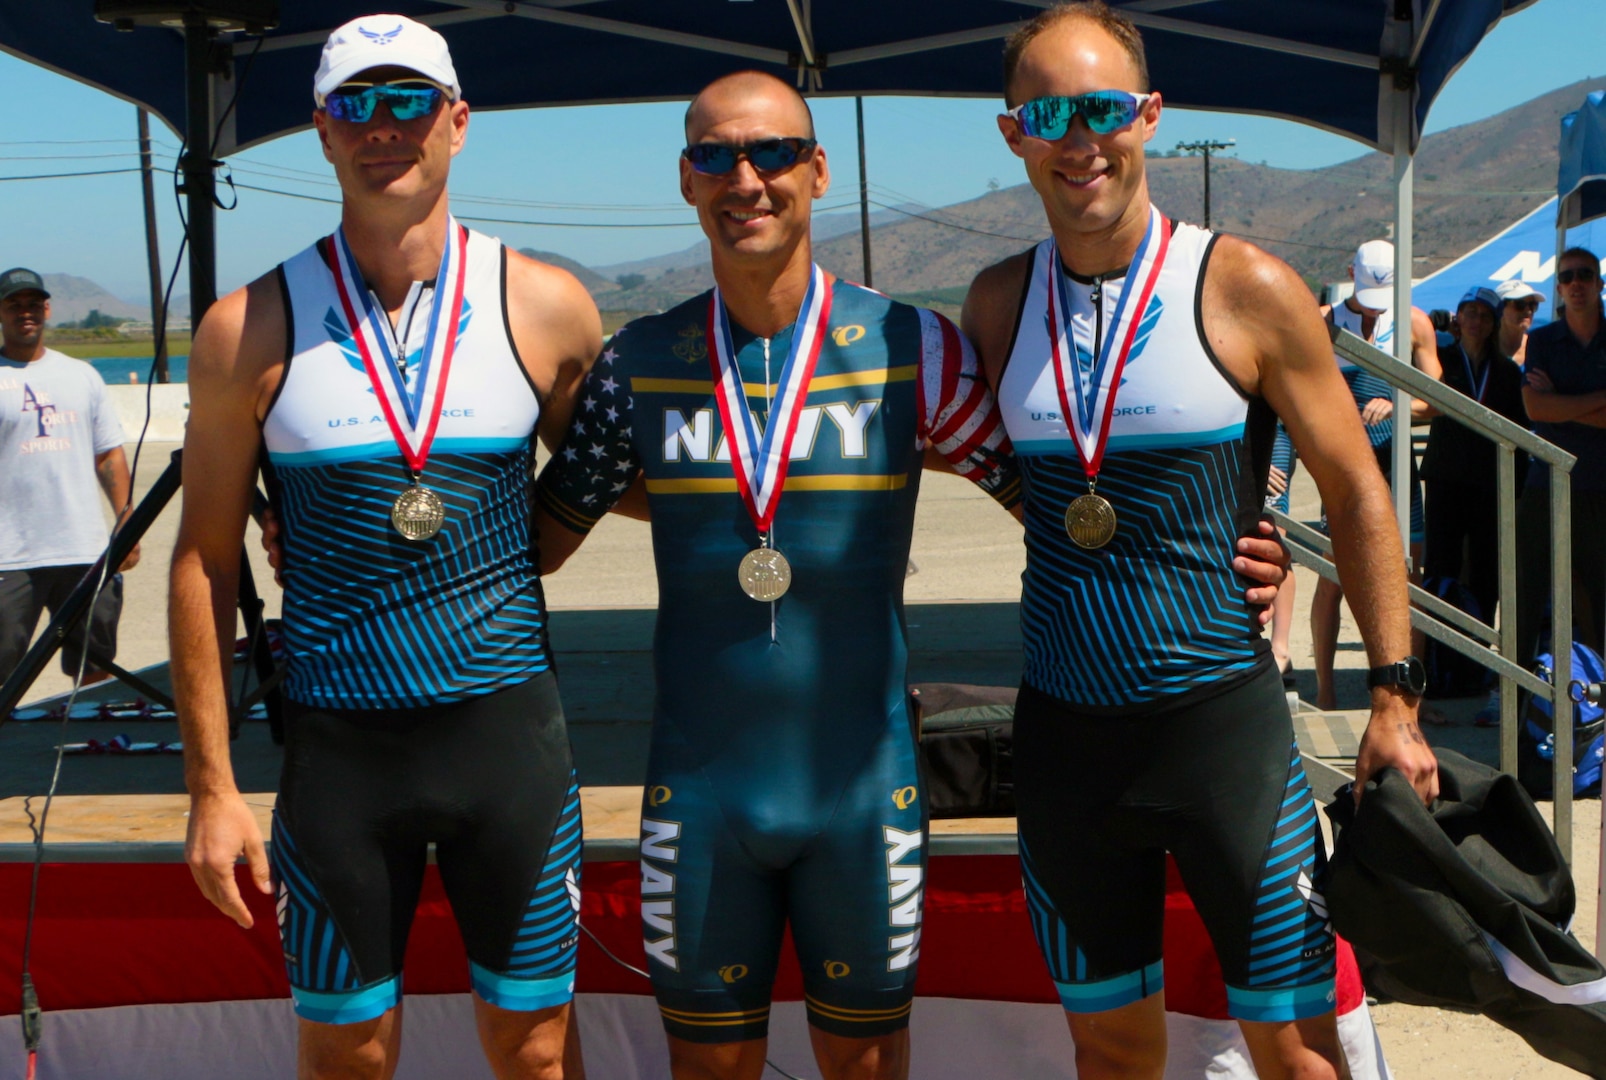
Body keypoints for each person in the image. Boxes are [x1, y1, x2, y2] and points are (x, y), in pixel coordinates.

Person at [531, 70, 1292, 1080]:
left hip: (863, 792)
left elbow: (1063, 501)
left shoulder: (912, 347)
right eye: (716, 156)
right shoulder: (639, 363)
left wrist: (1247, 525)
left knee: (867, 1068)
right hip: (702, 796)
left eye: (770, 155)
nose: (745, 179)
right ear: (686, 179)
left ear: (817, 170)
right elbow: (530, 541)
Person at [961, 5, 1437, 1080]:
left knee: (1300, 1050)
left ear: (1149, 117)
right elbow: (1033, 486)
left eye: (1104, 108)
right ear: (1013, 135)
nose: (1081, 138)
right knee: (1112, 1053)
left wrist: (1395, 699)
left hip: (1219, 734)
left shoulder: (1245, 287)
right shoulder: (996, 304)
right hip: (1066, 746)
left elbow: (1358, 494)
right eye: (1050, 113)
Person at [169, 15, 600, 1079]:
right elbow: (200, 560)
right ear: (321, 130)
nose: (383, 129)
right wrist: (211, 789)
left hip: (507, 740)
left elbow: (624, 482)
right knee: (349, 1053)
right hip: (339, 757)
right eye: (355, 105)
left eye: (408, 102)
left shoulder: (543, 303)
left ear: (457, 122)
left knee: (535, 1050)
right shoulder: (248, 325)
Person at [1309, 239, 1440, 710]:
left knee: (1410, 577)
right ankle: (1325, 692)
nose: (1373, 307)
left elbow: (1436, 398)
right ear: (1351, 273)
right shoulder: (1324, 320)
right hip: (1344, 466)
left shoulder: (1412, 321)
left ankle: (1410, 695)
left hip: (1396, 464)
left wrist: (1399, 401)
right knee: (1333, 575)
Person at [0, 266, 138, 688]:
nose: (26, 313)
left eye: (33, 305)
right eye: (14, 305)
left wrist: (126, 519)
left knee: (95, 665)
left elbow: (108, 454)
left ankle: (90, 739)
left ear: (47, 309)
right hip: (10, 554)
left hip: (83, 549)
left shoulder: (81, 375)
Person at [1513, 246, 1606, 669]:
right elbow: (1536, 410)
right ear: (1558, 288)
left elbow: (1550, 408)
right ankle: (1515, 690)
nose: (1576, 284)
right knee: (1527, 591)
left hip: (1600, 483)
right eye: (1567, 277)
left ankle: (1598, 693)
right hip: (1547, 482)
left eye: (1584, 275)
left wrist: (1561, 403)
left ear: (1600, 282)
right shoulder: (1545, 340)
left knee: (1600, 593)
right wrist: (1596, 401)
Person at [1420, 287, 1527, 628]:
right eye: (1470, 313)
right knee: (1440, 565)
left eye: (1484, 315)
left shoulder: (1508, 372)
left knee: (1486, 568)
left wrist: (1519, 487)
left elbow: (1520, 433)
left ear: (1494, 323)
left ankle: (1479, 652)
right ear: (1458, 317)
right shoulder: (1441, 360)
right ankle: (1437, 655)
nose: (1475, 321)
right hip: (1446, 478)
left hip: (1490, 483)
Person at [1495, 278, 1542, 365]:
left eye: (1532, 305)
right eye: (1520, 305)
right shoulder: (1483, 349)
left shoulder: (1540, 350)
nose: (1528, 311)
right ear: (1500, 308)